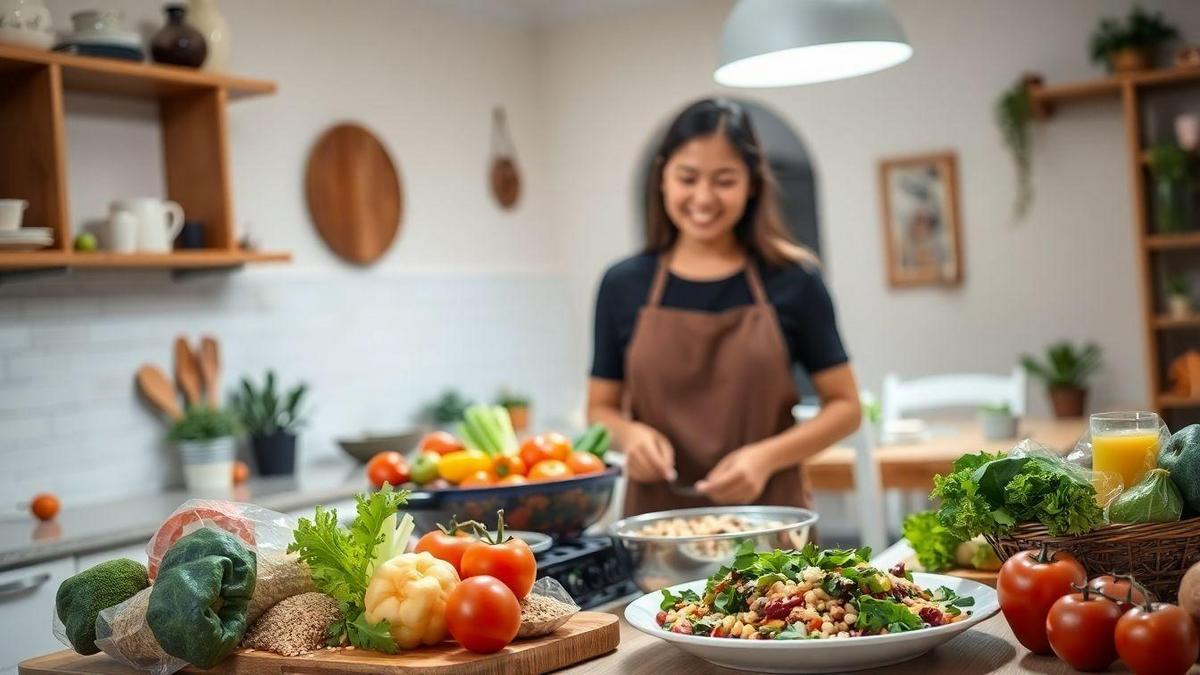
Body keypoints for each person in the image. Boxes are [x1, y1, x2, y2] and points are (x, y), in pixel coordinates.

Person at [586, 98, 861, 515]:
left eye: (725, 180)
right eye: (688, 178)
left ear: (752, 184)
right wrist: (631, 436)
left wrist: (765, 457)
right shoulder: (622, 284)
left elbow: (846, 407)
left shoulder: (794, 278)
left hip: (771, 522)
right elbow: (600, 409)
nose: (703, 197)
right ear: (663, 177)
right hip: (659, 525)